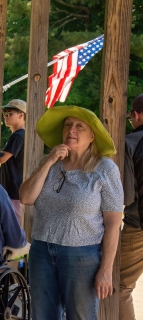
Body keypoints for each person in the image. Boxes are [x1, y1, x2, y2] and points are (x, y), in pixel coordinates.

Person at [20, 106, 123, 320]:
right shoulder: (50, 163)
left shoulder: (105, 170)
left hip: (82, 255)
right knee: (42, 316)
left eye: (79, 126)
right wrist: (49, 161)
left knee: (80, 316)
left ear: (92, 136)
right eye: (68, 125)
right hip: (41, 251)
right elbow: (26, 198)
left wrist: (106, 270)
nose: (71, 130)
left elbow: (113, 222)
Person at [120, 93, 143, 320]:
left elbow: (126, 197)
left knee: (119, 285)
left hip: (138, 227)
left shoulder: (130, 142)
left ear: (136, 115)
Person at [0, 99, 26, 224]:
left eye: (9, 113)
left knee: (14, 227)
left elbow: (2, 158)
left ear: (21, 115)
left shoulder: (18, 136)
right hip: (13, 190)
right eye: (4, 114)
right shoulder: (20, 135)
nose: (5, 117)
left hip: (13, 191)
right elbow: (12, 162)